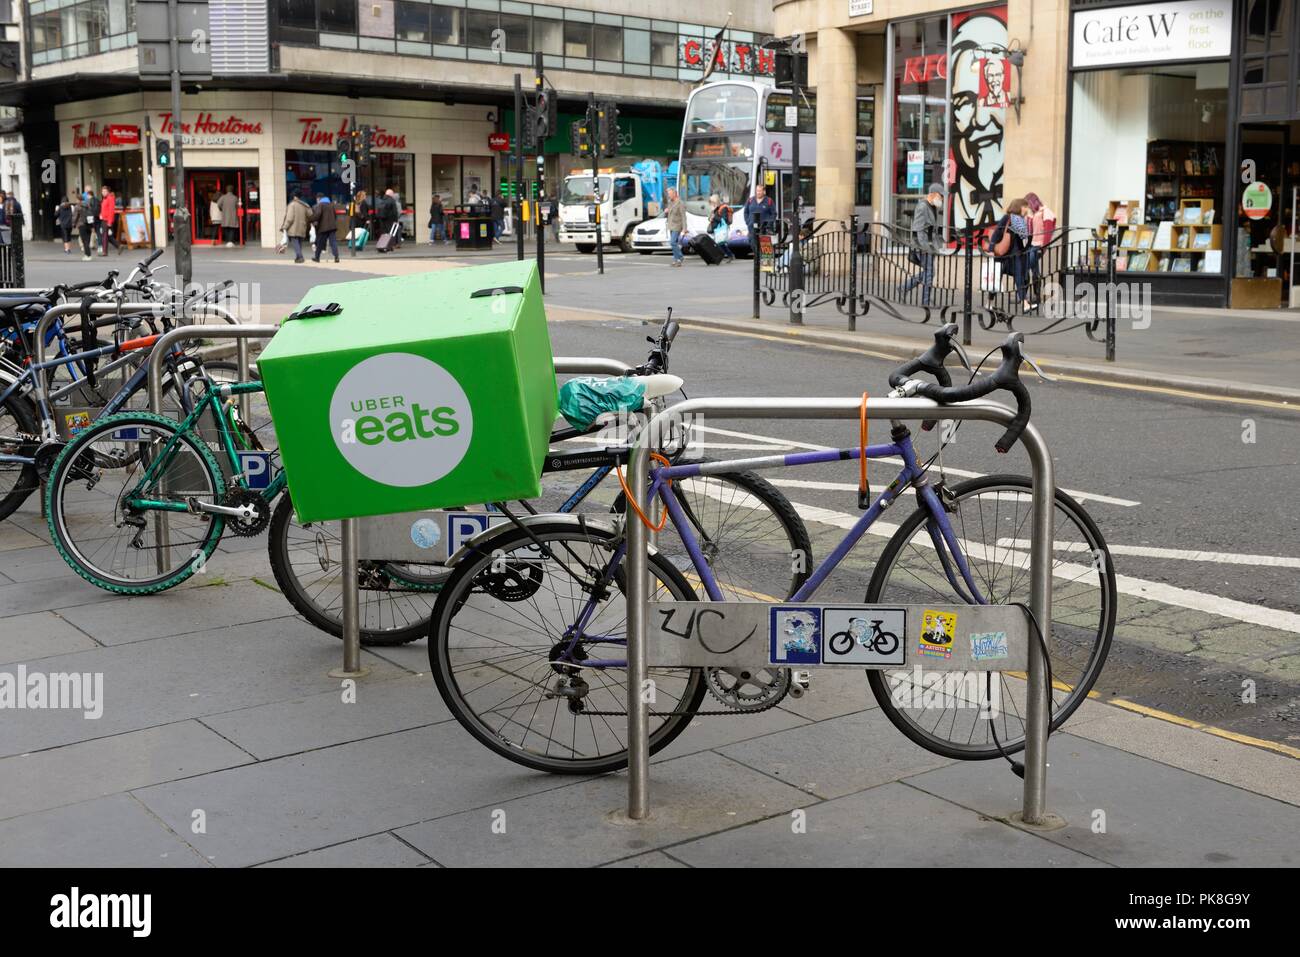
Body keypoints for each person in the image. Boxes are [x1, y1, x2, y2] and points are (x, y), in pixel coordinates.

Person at [899, 183, 946, 306]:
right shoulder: (922, 207)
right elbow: (918, 229)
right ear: (933, 194)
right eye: (941, 196)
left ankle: (904, 288)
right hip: (924, 246)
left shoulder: (933, 207)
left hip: (930, 245)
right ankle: (926, 302)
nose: (942, 199)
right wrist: (923, 248)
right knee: (929, 272)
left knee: (928, 272)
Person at [990, 197, 1034, 311]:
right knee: (996, 280)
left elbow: (1024, 239)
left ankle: (1024, 303)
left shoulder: (1021, 221)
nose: (1027, 209)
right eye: (1025, 207)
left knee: (1020, 278)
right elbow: (997, 233)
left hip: (1016, 255)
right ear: (1019, 207)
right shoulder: (1008, 218)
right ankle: (988, 302)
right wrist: (991, 248)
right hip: (1004, 255)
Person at [1024, 191, 1057, 293]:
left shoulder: (1045, 211)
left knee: (1025, 267)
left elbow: (1048, 231)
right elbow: (1031, 230)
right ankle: (1035, 296)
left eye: (1028, 204)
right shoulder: (1035, 214)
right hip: (1032, 245)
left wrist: (1043, 247)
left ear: (1033, 202)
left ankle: (1023, 296)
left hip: (1039, 246)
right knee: (1034, 270)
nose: (1028, 207)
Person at [280, 190, 312, 263]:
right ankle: (298, 258)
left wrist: (284, 227)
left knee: (295, 242)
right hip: (302, 227)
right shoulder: (305, 205)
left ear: (294, 196)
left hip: (293, 228)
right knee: (299, 243)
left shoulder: (292, 205)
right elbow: (310, 215)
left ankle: (300, 257)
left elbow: (289, 218)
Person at [742, 184, 776, 255]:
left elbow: (773, 214)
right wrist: (748, 222)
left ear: (764, 192)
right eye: (757, 191)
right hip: (752, 227)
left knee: (764, 246)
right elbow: (746, 212)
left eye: (760, 191)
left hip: (764, 228)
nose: (758, 192)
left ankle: (763, 260)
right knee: (753, 243)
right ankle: (758, 258)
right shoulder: (750, 200)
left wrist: (769, 224)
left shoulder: (769, 201)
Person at [311, 194, 340, 263]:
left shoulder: (320, 205)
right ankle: (336, 257)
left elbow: (318, 215)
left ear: (320, 199)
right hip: (332, 227)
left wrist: (311, 219)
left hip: (323, 227)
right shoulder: (331, 205)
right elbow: (335, 216)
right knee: (333, 242)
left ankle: (317, 258)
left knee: (320, 242)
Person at [707, 193, 736, 262]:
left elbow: (724, 219)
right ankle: (730, 255)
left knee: (718, 244)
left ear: (716, 201)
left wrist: (714, 217)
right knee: (721, 244)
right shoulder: (715, 208)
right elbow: (711, 218)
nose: (711, 204)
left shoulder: (723, 208)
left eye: (712, 202)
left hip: (720, 229)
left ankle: (717, 258)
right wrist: (710, 218)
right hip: (715, 229)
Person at [664, 187, 686, 267]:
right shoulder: (670, 202)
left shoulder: (680, 203)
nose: (669, 196)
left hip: (677, 225)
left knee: (672, 242)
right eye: (668, 194)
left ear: (675, 194)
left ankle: (680, 257)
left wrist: (684, 229)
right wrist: (667, 211)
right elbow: (670, 212)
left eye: (670, 194)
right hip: (671, 225)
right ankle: (676, 260)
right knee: (674, 243)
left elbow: (683, 216)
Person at [98, 185, 121, 256]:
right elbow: (104, 209)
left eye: (105, 191)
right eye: (102, 191)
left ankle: (105, 252)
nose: (103, 192)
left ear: (108, 192)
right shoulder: (105, 199)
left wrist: (109, 222)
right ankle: (118, 246)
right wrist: (100, 215)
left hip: (107, 220)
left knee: (104, 236)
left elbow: (111, 211)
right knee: (108, 236)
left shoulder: (110, 198)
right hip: (103, 219)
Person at [71, 191, 92, 260]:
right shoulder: (88, 205)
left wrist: (73, 224)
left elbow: (75, 217)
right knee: (87, 240)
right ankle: (88, 254)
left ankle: (87, 255)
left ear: (78, 199)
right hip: (89, 224)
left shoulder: (77, 207)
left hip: (81, 224)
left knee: (84, 241)